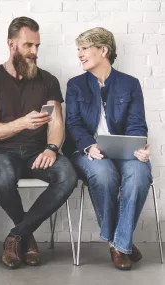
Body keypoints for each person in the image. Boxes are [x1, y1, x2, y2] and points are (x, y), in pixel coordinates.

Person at [0, 16, 78, 269]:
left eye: (37, 46)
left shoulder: (48, 80)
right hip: (2, 153)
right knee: (4, 178)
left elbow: (56, 123)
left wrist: (52, 148)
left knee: (68, 175)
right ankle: (27, 238)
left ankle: (16, 236)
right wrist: (22, 123)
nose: (34, 52)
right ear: (11, 44)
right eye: (28, 45)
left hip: (38, 153)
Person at [64, 27, 151, 271]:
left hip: (122, 149)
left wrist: (138, 147)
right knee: (104, 174)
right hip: (86, 150)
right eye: (78, 49)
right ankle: (122, 243)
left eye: (84, 48)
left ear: (103, 50)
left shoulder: (130, 84)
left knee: (140, 171)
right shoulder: (75, 85)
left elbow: (136, 124)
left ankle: (119, 243)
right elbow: (73, 123)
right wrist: (89, 146)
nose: (79, 54)